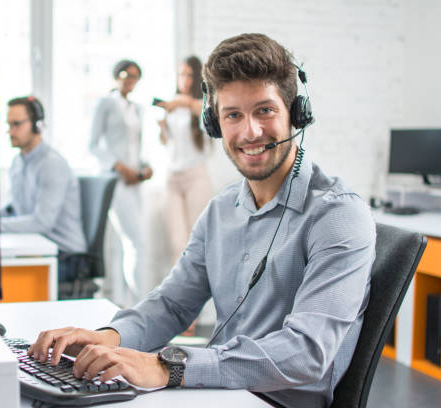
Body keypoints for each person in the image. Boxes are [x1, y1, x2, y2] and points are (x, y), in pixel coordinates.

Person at [29, 34, 375, 408]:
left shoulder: (338, 215)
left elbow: (306, 352)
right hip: (220, 392)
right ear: (215, 123)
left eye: (265, 110)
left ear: (296, 112)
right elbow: (172, 304)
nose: (250, 132)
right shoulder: (221, 210)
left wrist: (170, 368)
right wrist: (108, 337)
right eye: (233, 115)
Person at [0, 96, 87, 284]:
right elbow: (14, 208)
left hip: (65, 256)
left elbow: (42, 222)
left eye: (17, 124)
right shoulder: (18, 162)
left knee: (5, 282)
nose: (10, 131)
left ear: (37, 125)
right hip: (36, 248)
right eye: (9, 125)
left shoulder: (51, 164)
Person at [89, 59, 153, 305]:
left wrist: (144, 166)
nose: (130, 80)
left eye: (136, 76)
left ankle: (121, 302)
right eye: (127, 74)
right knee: (136, 241)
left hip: (135, 182)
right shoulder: (105, 103)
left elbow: (136, 147)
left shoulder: (137, 108)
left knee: (122, 246)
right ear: (117, 75)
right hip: (115, 181)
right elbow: (93, 145)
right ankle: (143, 303)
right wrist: (118, 166)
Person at [156, 55, 213, 266]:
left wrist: (180, 102)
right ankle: (178, 295)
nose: (185, 80)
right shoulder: (171, 106)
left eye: (190, 75)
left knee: (197, 240)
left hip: (195, 176)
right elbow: (167, 142)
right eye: (181, 75)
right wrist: (162, 126)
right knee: (177, 242)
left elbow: (205, 118)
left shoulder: (202, 104)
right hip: (173, 177)